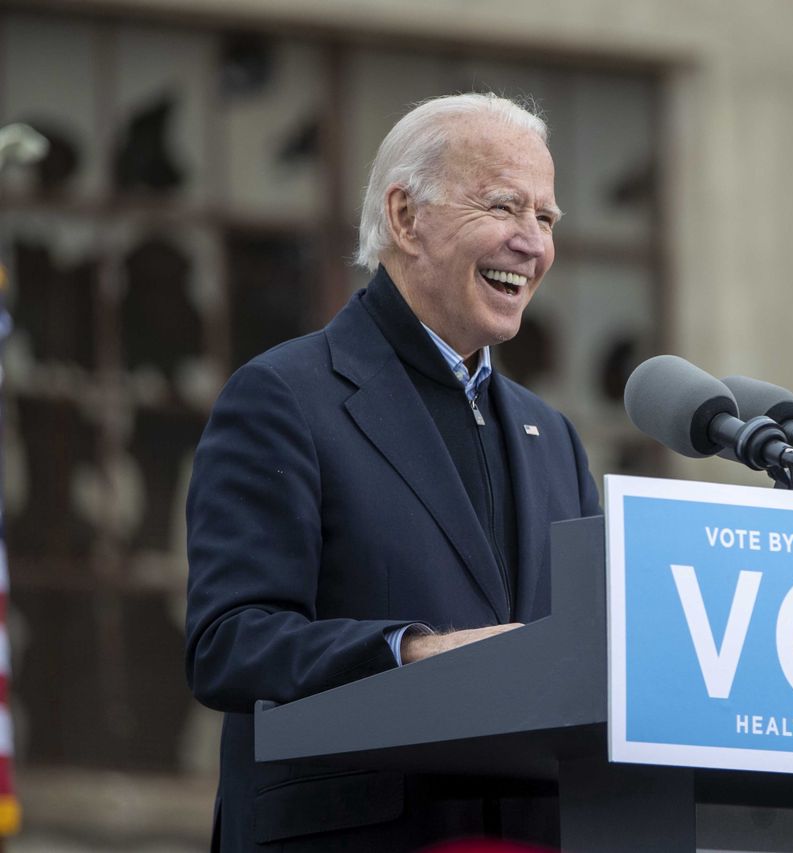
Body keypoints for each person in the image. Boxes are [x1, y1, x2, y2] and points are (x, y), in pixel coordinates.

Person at [185, 93, 599, 852]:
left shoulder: (555, 438)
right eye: (504, 206)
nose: (531, 244)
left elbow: (582, 657)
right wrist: (410, 651)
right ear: (405, 218)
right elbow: (230, 642)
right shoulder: (286, 397)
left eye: (546, 219)